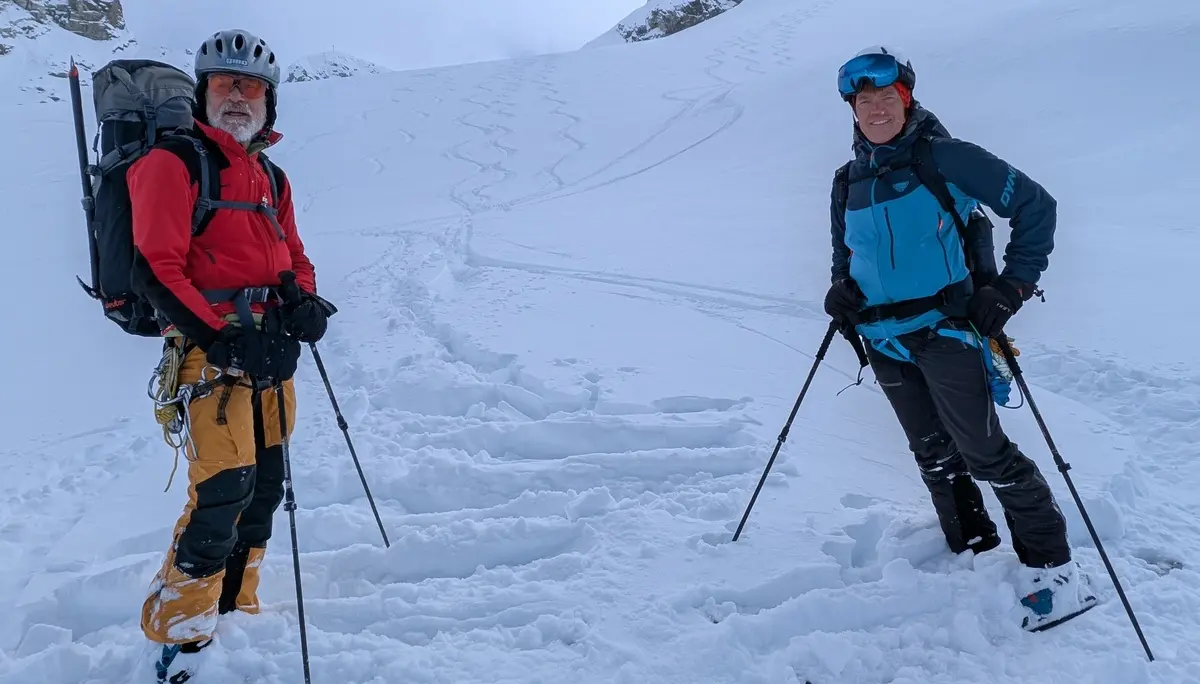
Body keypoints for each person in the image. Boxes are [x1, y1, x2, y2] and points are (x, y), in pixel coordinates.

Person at [823, 46, 1093, 629]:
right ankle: (973, 546)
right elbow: (846, 254)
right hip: (882, 337)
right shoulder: (848, 181)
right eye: (862, 100)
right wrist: (840, 289)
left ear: (906, 98)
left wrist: (1013, 287)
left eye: (884, 98)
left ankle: (1053, 570)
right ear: (852, 108)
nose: (874, 109)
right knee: (931, 452)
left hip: (946, 331)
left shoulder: (943, 158)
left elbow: (1035, 206)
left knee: (985, 451)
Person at [128, 29, 330, 681]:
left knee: (267, 484)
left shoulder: (270, 174)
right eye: (225, 84)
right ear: (202, 92)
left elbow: (292, 253)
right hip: (209, 357)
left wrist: (303, 301)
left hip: (270, 352)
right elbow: (155, 271)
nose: (238, 98)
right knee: (223, 490)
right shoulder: (174, 162)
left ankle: (235, 608)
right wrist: (220, 337)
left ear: (269, 105)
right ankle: (181, 637)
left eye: (251, 88)